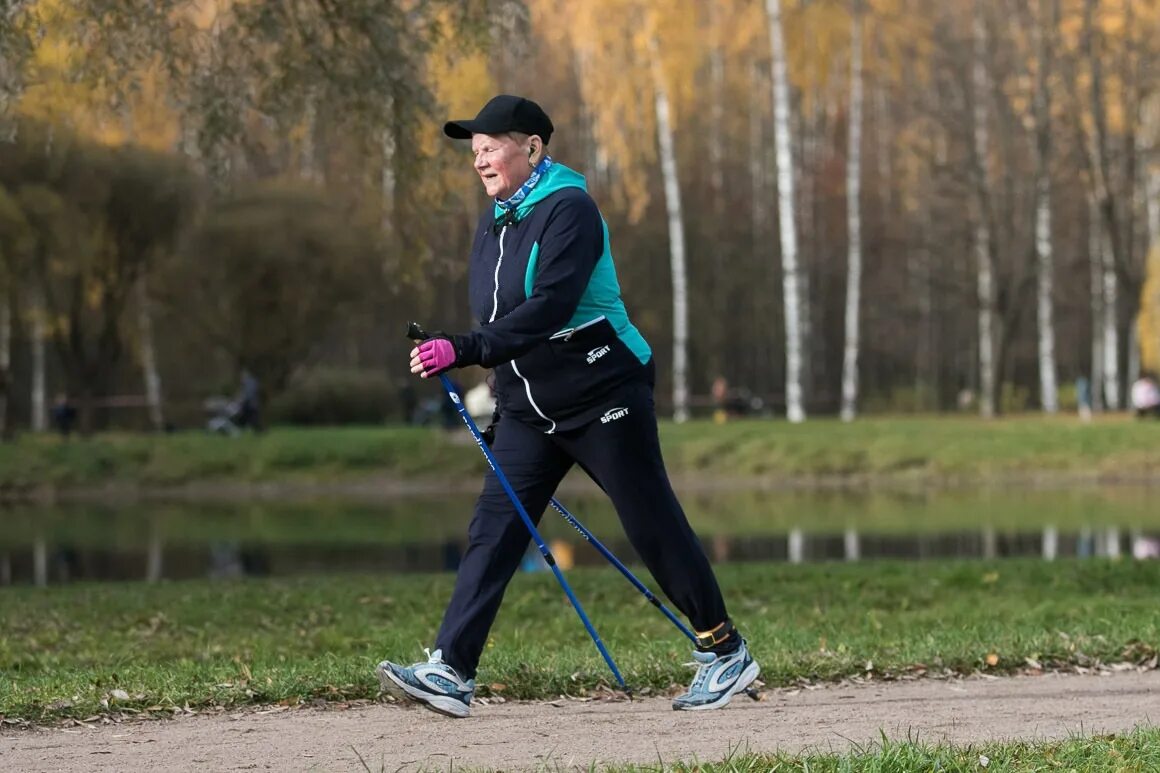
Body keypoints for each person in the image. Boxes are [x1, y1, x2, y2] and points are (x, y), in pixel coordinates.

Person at [376, 95, 758, 718]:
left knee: (648, 518)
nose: (479, 158)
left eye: (491, 145)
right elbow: (498, 317)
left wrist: (465, 350)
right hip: (532, 407)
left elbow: (548, 309)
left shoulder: (569, 210)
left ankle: (725, 650)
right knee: (493, 529)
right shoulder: (496, 218)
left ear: (532, 147)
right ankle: (451, 670)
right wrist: (500, 391)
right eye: (473, 149)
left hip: (604, 389)